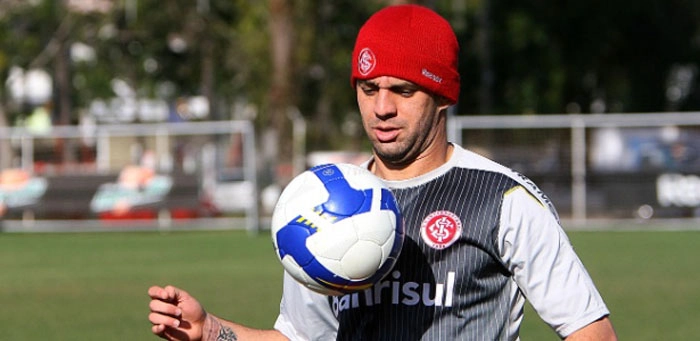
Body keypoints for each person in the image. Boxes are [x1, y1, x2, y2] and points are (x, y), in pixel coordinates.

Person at [148, 4, 617, 340]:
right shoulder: (319, 206)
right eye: (369, 88)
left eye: (404, 90)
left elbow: (590, 330)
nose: (382, 108)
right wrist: (211, 331)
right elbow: (299, 338)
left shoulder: (502, 200)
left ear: (444, 96)